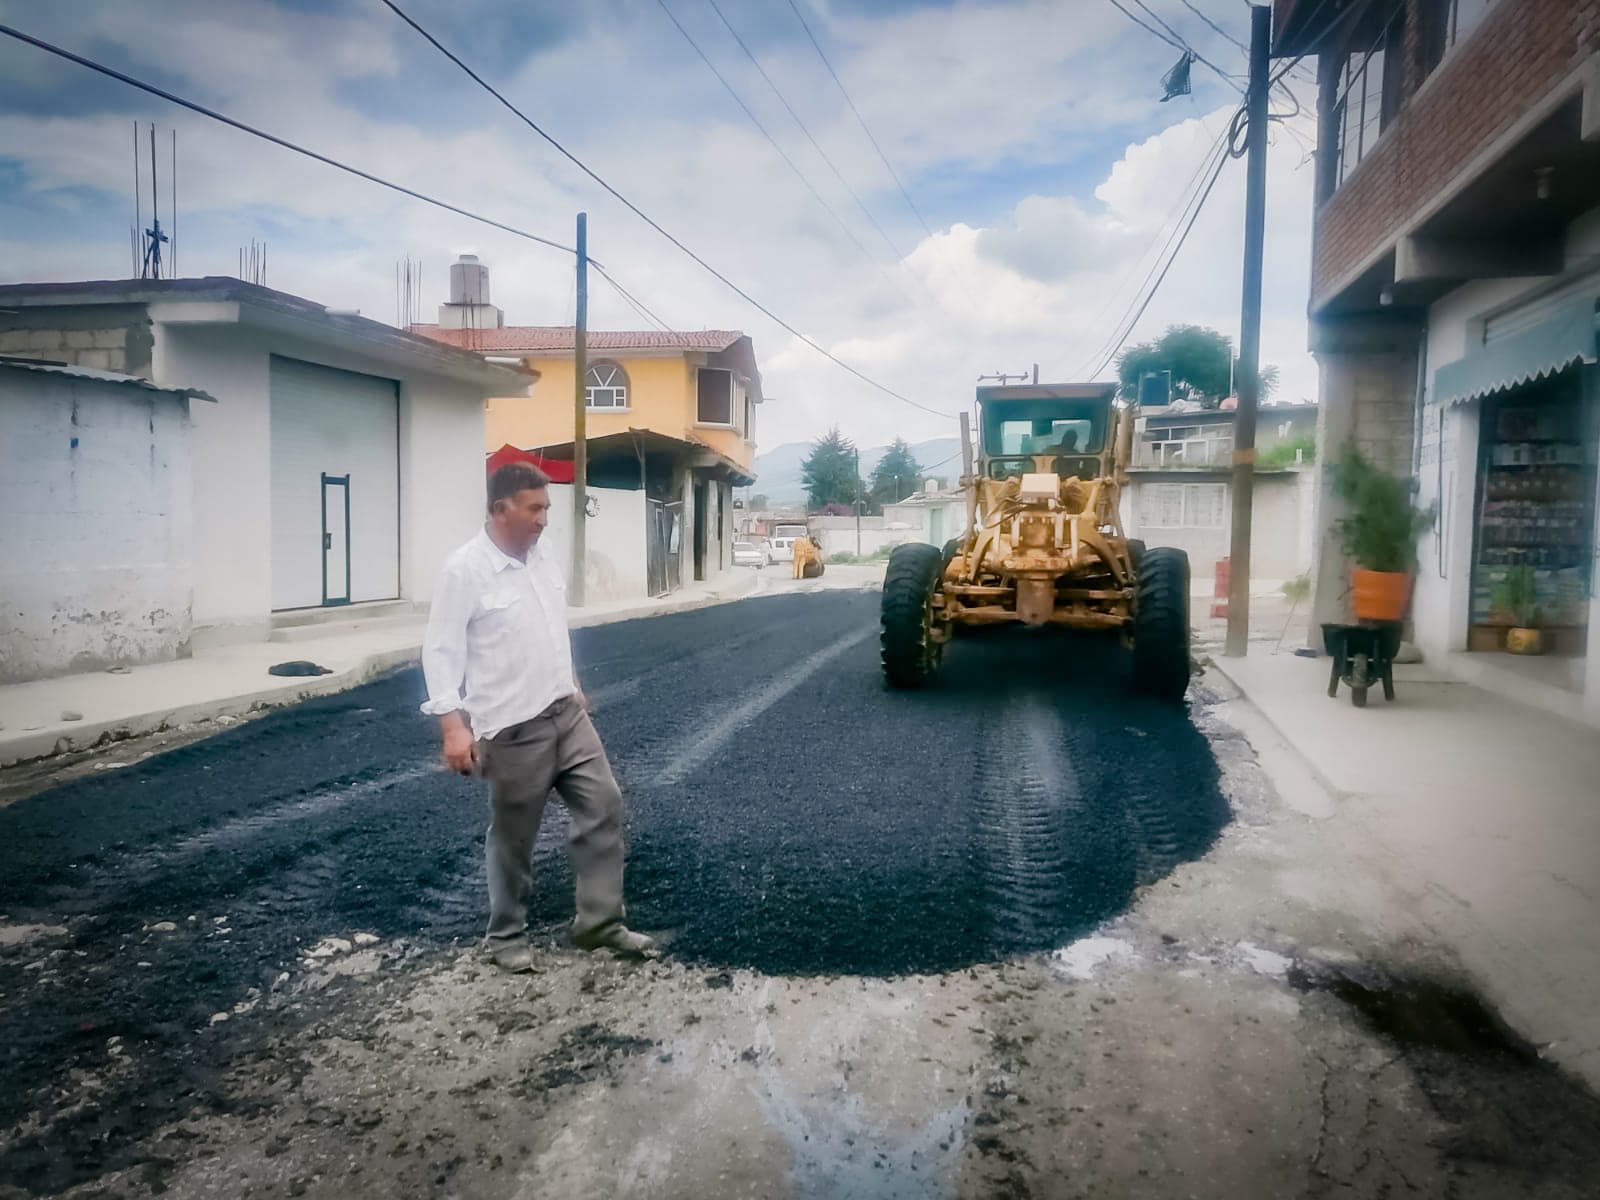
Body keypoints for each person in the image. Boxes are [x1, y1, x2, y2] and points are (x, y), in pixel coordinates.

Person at [420, 461, 656, 972]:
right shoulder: (465, 569)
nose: (544, 518)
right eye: (535, 508)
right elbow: (440, 650)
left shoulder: (543, 555)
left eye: (546, 507)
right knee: (513, 838)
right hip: (511, 728)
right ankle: (505, 937)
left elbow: (549, 624)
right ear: (500, 510)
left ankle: (599, 925)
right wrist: (453, 726)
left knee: (604, 805)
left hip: (565, 713)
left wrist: (571, 682)